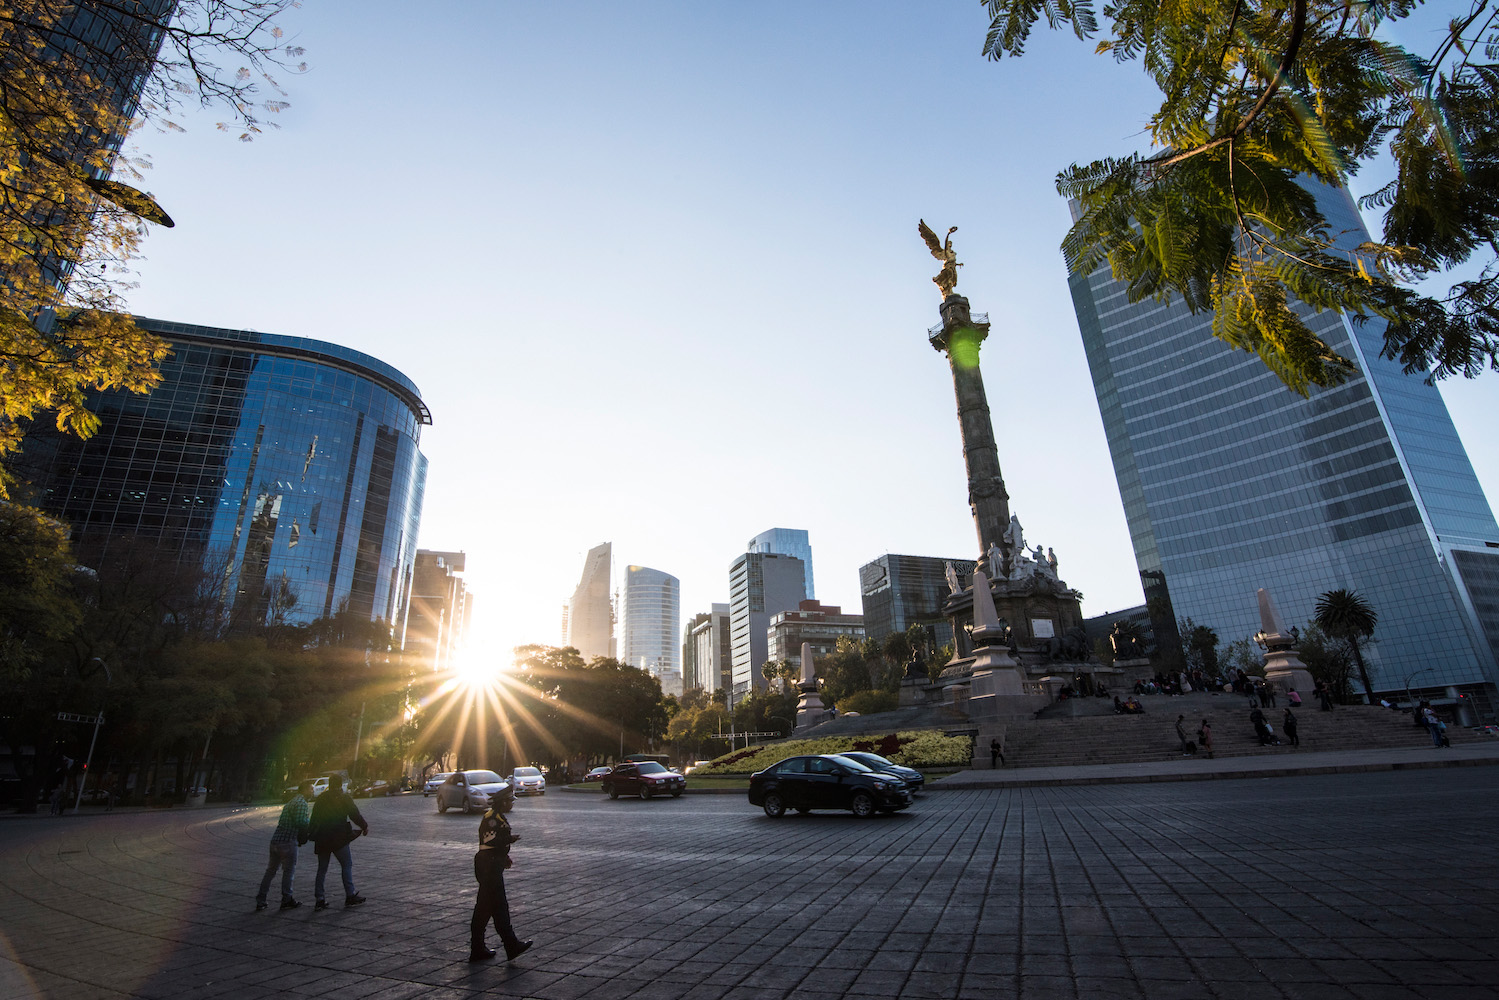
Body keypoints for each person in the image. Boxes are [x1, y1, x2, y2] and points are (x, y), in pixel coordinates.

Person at [470, 784, 533, 963]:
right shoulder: (492, 818)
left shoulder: (497, 816)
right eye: (510, 801)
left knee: (486, 909)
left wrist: (504, 856)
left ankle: (479, 948)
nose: (511, 804)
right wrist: (509, 840)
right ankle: (509, 945)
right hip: (488, 867)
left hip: (492, 864)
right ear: (503, 802)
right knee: (497, 908)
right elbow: (490, 840)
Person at [309, 774, 368, 909]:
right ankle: (350, 894)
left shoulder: (321, 799)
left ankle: (320, 898)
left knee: (322, 869)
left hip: (322, 838)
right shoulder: (344, 798)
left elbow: (314, 818)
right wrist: (364, 826)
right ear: (340, 784)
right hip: (338, 838)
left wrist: (311, 834)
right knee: (346, 864)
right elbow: (354, 814)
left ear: (330, 784)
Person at [256, 780, 312, 910]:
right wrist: (311, 825)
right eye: (311, 789)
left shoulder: (290, 803)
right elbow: (300, 822)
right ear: (304, 790)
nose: (312, 791)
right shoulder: (301, 803)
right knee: (288, 872)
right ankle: (287, 898)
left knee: (270, 871)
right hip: (288, 842)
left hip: (276, 840)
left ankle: (261, 899)